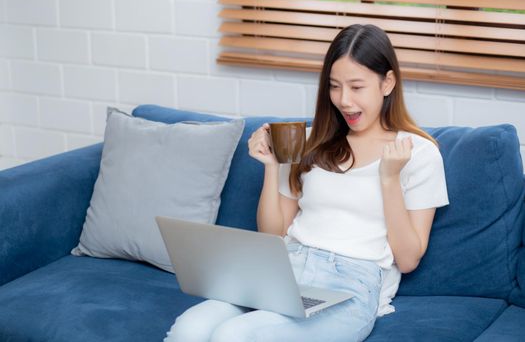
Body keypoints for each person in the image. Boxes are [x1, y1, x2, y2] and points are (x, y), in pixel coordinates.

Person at [163, 24, 449, 342]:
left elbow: (408, 259)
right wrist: (273, 166)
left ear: (387, 83)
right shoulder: (310, 139)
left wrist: (390, 178)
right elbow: (274, 233)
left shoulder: (418, 153)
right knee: (189, 331)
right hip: (285, 269)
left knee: (235, 336)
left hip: (351, 283)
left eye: (357, 87)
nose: (344, 100)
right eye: (335, 86)